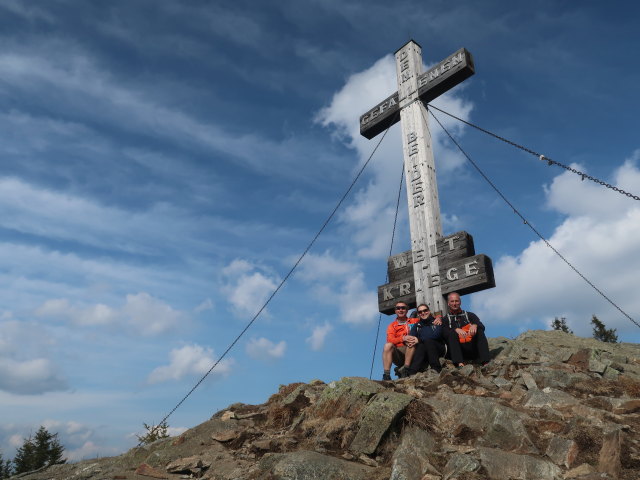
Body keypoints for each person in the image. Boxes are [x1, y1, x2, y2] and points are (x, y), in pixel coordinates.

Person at [441, 292, 490, 367]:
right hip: (456, 351)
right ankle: (459, 363)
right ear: (448, 303)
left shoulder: (470, 315)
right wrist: (455, 329)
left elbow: (482, 326)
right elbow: (443, 333)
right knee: (451, 333)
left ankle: (485, 361)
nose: (454, 303)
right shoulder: (445, 319)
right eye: (452, 301)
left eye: (456, 301)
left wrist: (475, 325)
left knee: (479, 330)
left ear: (460, 302)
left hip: (472, 348)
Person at [403, 304, 447, 375]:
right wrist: (407, 340)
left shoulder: (436, 321)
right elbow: (412, 338)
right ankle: (412, 372)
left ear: (429, 311)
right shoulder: (417, 325)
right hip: (425, 350)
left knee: (428, 341)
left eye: (425, 310)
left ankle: (436, 368)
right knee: (421, 346)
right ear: (418, 314)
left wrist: (419, 340)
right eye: (420, 312)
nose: (423, 313)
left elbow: (435, 335)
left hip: (439, 348)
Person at [382, 301, 418, 380]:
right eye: (398, 308)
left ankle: (406, 369)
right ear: (395, 311)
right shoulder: (392, 326)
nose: (400, 310)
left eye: (403, 308)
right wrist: (403, 338)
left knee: (411, 341)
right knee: (387, 345)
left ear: (407, 310)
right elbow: (390, 340)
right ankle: (386, 375)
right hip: (399, 353)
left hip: (413, 350)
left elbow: (430, 318)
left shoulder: (414, 321)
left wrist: (438, 317)